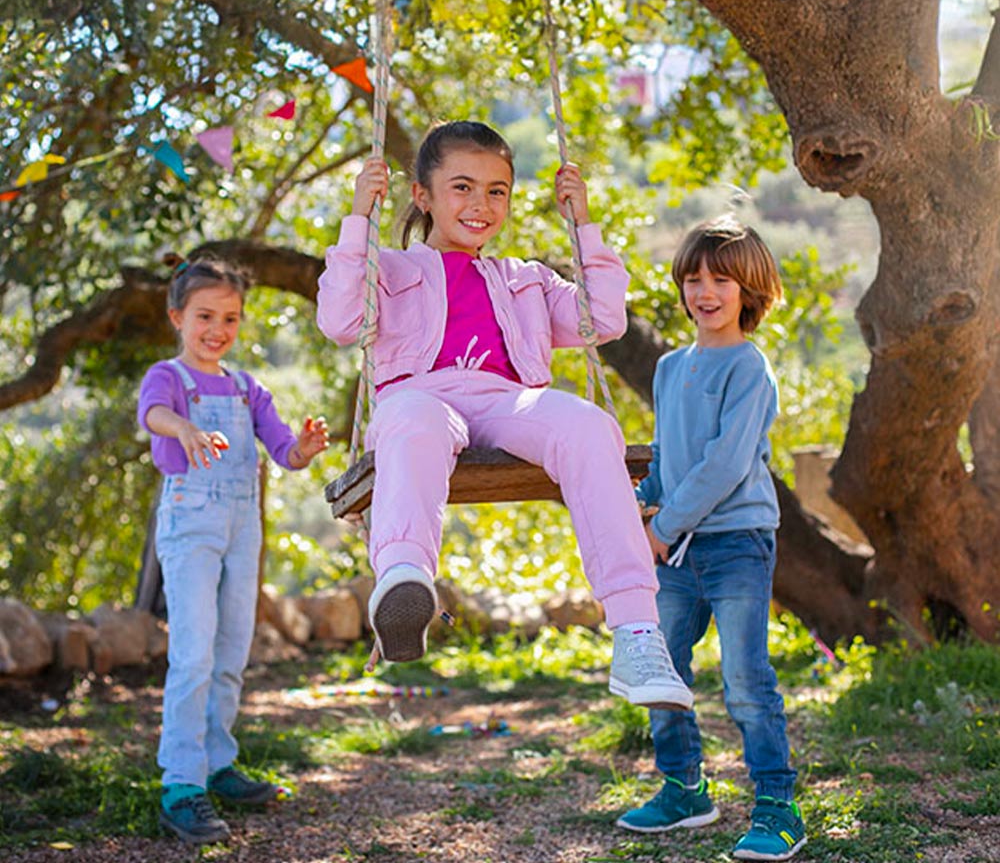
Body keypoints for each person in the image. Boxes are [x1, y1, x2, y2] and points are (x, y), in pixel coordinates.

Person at [316, 120, 692, 711]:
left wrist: (584, 225)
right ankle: (404, 579)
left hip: (507, 402)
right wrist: (358, 221)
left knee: (590, 424)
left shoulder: (527, 279)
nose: (481, 205)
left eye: (497, 190)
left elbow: (602, 321)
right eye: (462, 187)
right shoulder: (387, 269)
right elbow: (340, 321)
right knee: (414, 422)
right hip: (419, 396)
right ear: (423, 195)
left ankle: (637, 632)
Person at [616, 215, 806, 861]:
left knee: (745, 678)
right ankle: (684, 788)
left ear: (749, 291)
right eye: (694, 278)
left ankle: (778, 807)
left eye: (721, 280)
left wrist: (663, 526)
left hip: (736, 542)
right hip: (674, 550)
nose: (705, 291)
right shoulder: (671, 368)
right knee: (662, 671)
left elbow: (726, 464)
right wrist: (640, 513)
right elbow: (669, 458)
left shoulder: (750, 368)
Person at [138, 257, 329, 845]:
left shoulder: (249, 389)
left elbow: (282, 452)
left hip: (243, 527)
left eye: (230, 318)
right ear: (178, 316)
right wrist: (185, 430)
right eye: (204, 316)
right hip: (191, 525)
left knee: (230, 649)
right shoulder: (170, 377)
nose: (217, 329)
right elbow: (153, 413)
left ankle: (219, 763)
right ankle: (181, 783)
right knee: (193, 651)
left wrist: (303, 447)